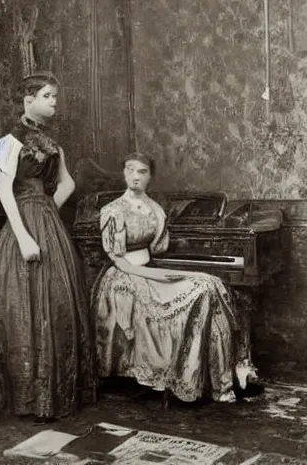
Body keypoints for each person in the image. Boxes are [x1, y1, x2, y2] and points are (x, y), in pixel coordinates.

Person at [93, 152, 258, 403]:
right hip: (123, 277)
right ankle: (207, 379)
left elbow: (159, 249)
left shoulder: (155, 208)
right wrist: (157, 275)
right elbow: (118, 259)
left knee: (213, 285)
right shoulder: (113, 210)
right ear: (123, 173)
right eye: (129, 170)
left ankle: (231, 376)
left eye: (142, 172)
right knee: (202, 289)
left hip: (150, 268)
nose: (135, 177)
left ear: (151, 176)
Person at [0, 71, 96, 425]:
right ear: (27, 99)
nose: (53, 102)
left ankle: (56, 394)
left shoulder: (52, 143)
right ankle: (30, 398)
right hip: (23, 230)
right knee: (23, 305)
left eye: (54, 97)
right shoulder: (9, 141)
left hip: (45, 222)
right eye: (47, 96)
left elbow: (68, 183)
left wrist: (46, 209)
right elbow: (4, 192)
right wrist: (26, 234)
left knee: (57, 301)